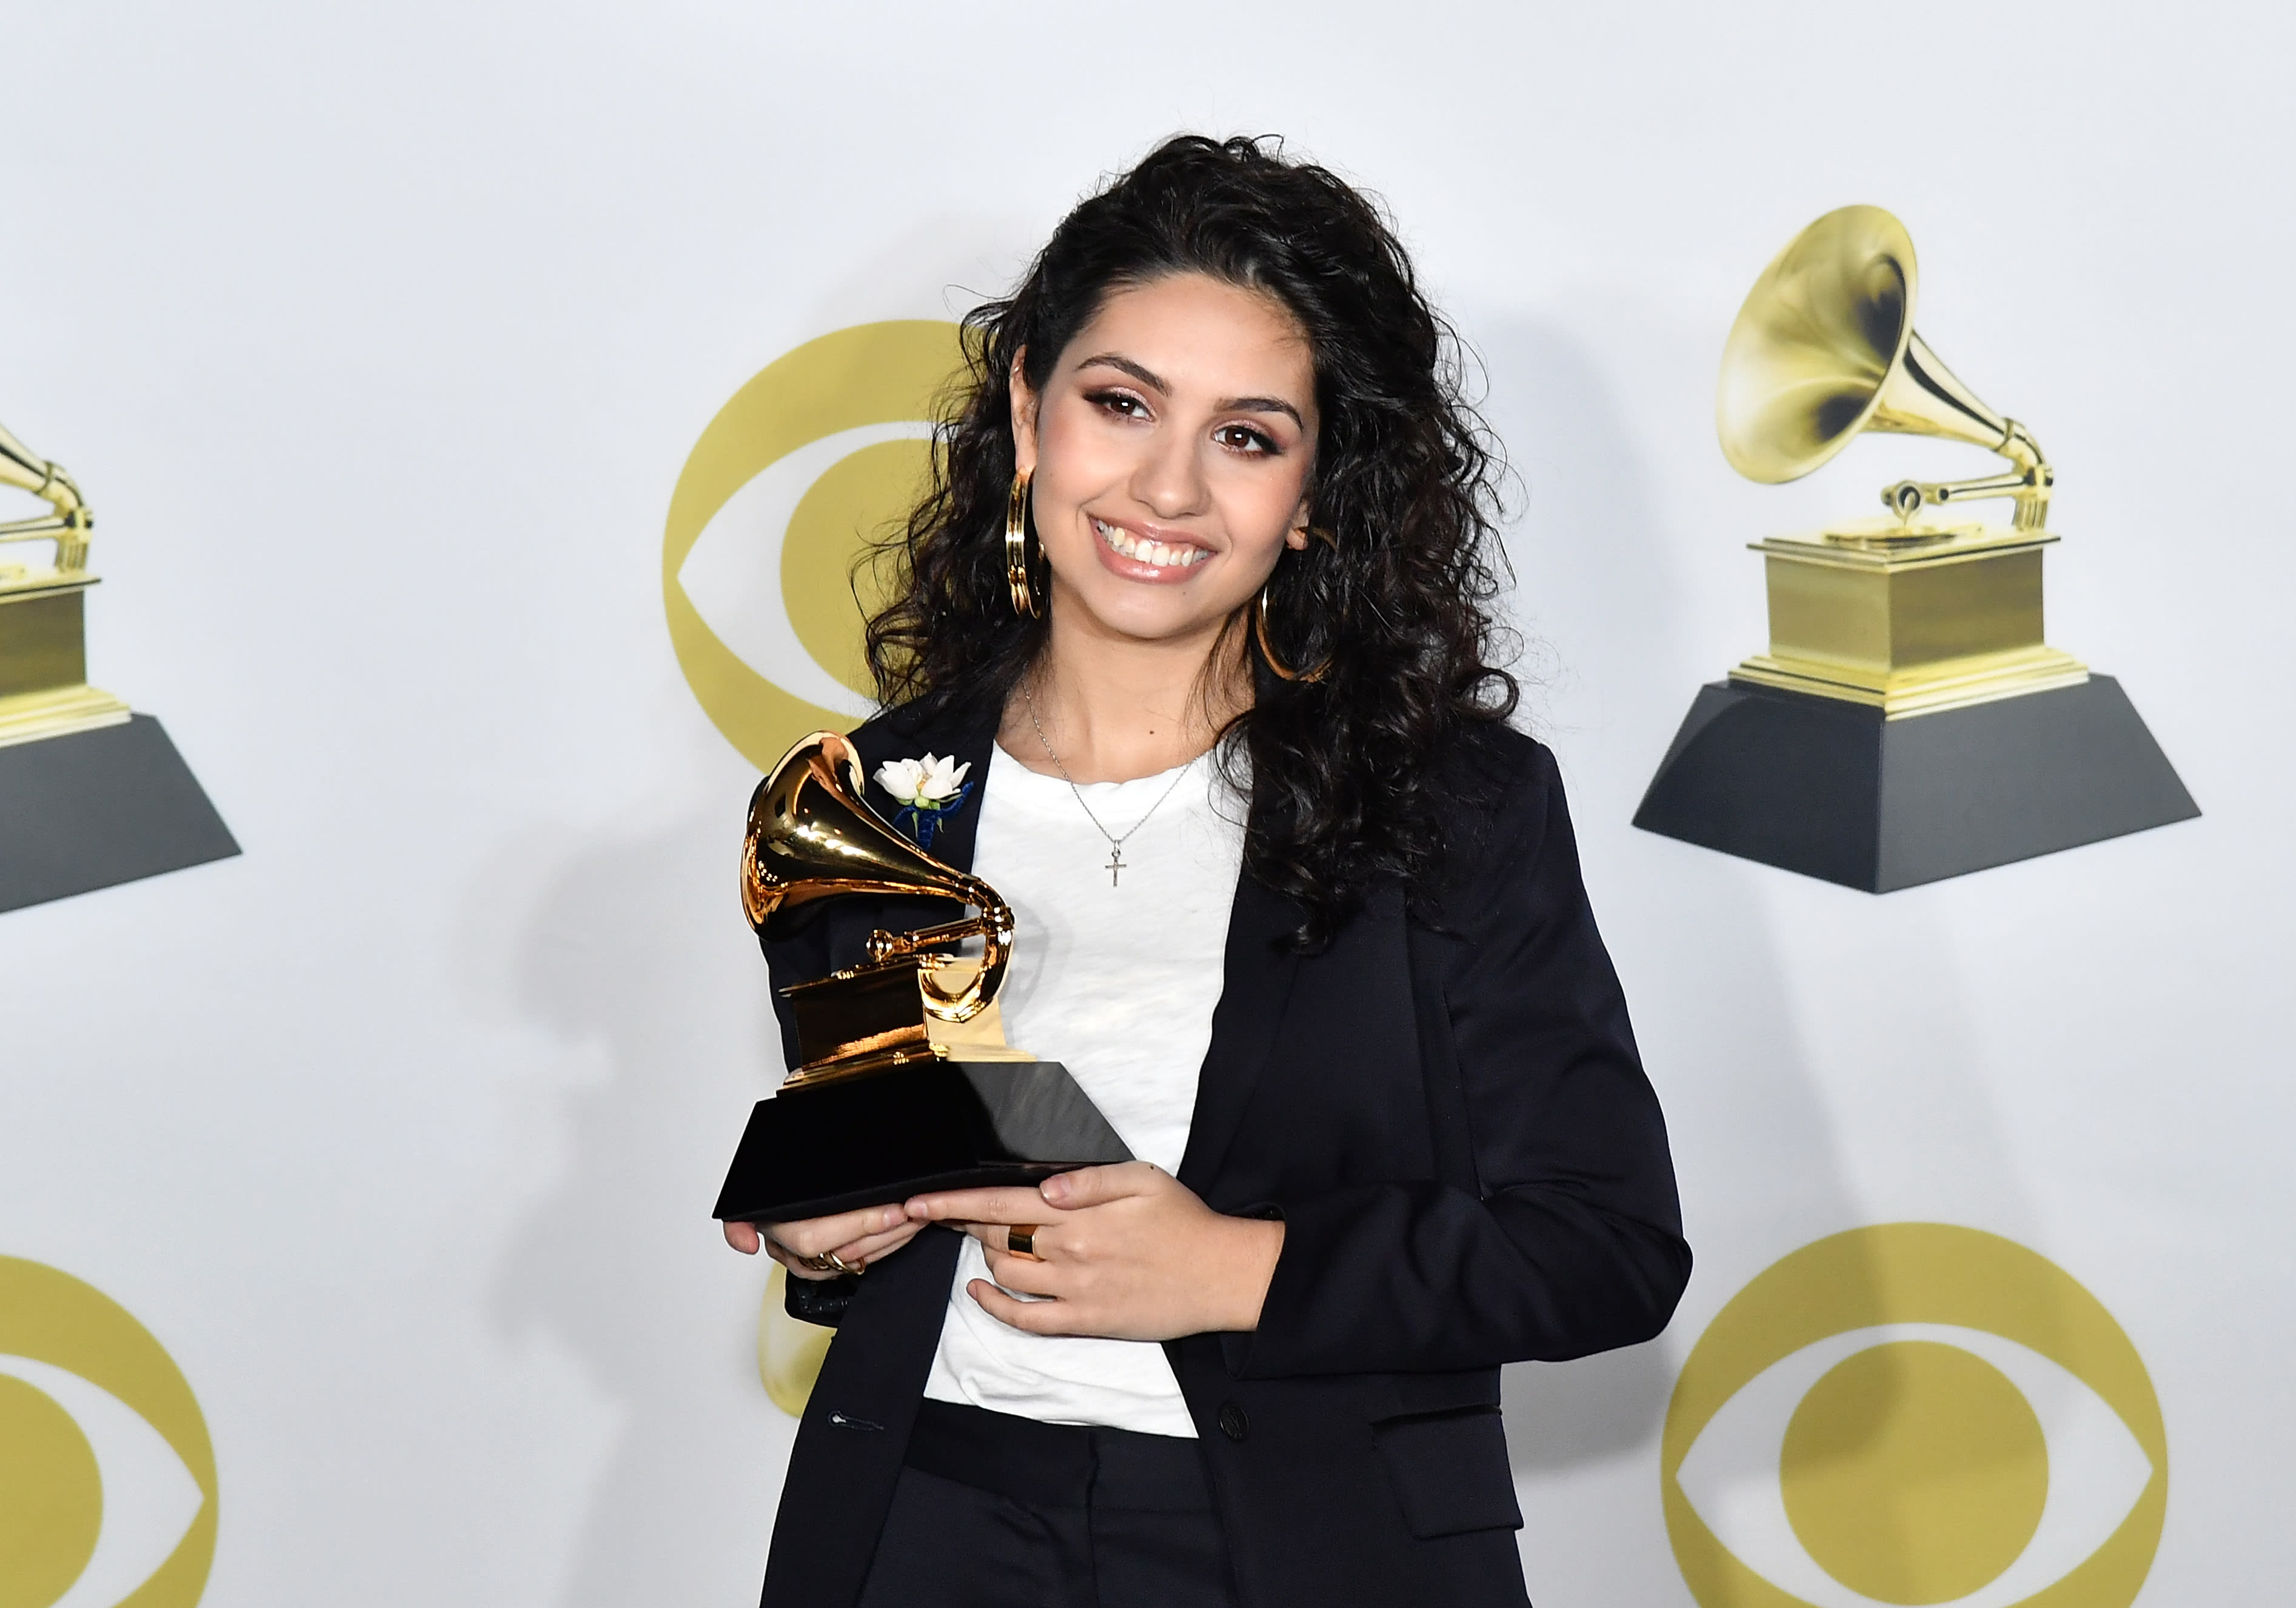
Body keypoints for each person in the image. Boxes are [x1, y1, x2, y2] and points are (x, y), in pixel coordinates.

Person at [721, 134, 1689, 1608]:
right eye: (1121, 406)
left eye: (1247, 435)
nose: (1166, 488)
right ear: (1029, 411)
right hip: (923, 1525)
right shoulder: (869, 802)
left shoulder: (1455, 806)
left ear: (1313, 493)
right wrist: (829, 1238)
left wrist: (1241, 1269)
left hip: (1307, 1551)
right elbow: (903, 1170)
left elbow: (1603, 1247)